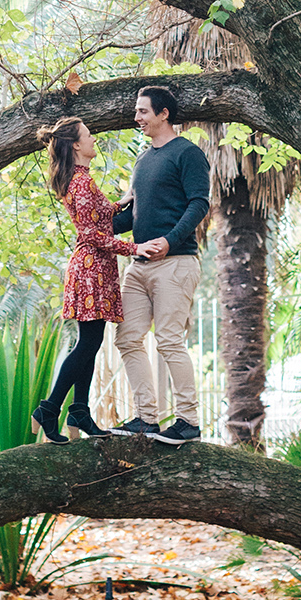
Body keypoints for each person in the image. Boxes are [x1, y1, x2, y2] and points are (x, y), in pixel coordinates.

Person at [111, 85, 211, 444]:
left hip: (177, 262)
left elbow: (199, 203)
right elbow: (133, 217)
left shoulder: (187, 153)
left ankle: (188, 421)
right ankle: (146, 419)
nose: (136, 118)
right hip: (138, 267)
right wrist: (91, 220)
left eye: (142, 111)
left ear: (163, 113)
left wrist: (169, 241)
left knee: (169, 341)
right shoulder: (142, 160)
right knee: (127, 338)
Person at [32, 117, 139, 442]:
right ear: (76, 145)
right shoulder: (79, 183)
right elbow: (90, 233)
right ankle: (49, 409)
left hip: (97, 268)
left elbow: (103, 215)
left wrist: (127, 199)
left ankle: (79, 410)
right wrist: (134, 247)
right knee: (87, 344)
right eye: (89, 135)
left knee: (90, 345)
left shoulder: (83, 180)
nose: (94, 139)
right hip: (91, 268)